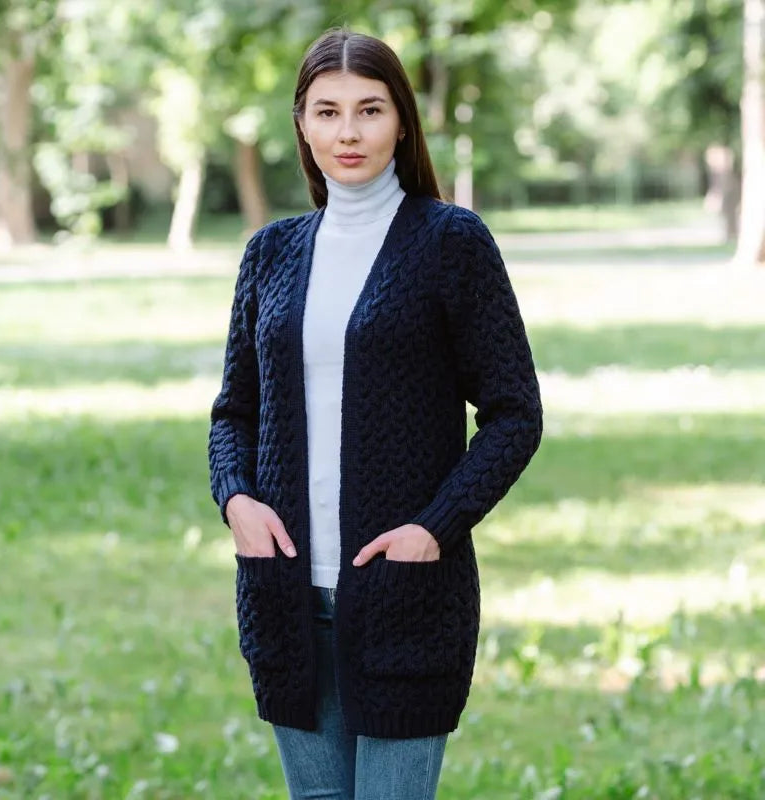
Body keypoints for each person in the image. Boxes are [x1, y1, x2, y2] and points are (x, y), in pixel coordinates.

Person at [208, 25, 543, 800]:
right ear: (302, 124)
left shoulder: (450, 243)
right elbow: (234, 412)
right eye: (327, 112)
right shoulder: (270, 254)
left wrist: (435, 528)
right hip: (286, 596)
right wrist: (237, 502)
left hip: (407, 598)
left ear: (401, 122)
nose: (348, 132)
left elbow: (514, 413)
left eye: (369, 109)